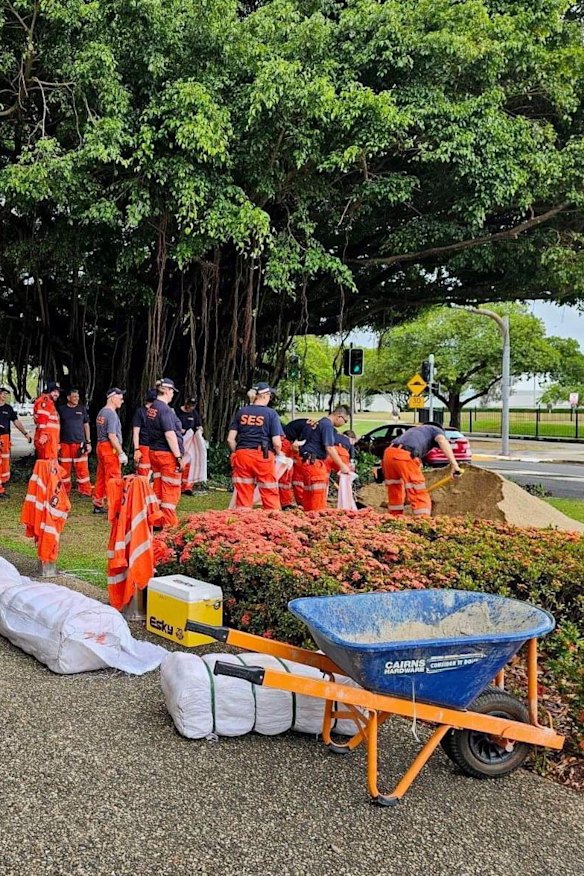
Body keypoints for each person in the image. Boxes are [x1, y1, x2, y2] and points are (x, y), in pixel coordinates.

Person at [382, 422, 461, 517]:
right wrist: (454, 465)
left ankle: (394, 519)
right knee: (418, 490)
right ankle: (423, 521)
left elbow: (410, 472)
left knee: (395, 488)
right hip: (405, 455)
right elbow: (441, 441)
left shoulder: (415, 432)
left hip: (388, 454)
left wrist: (408, 496)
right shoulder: (435, 429)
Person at [227, 382, 283, 510]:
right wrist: (279, 454)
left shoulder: (242, 412)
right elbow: (276, 442)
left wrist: (240, 452)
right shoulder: (271, 414)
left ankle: (244, 524)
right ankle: (273, 524)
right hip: (262, 456)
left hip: (242, 455)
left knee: (243, 492)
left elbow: (230, 439)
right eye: (270, 395)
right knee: (269, 491)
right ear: (264, 396)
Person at [297, 406, 352, 511]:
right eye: (344, 421)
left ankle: (309, 518)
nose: (343, 424)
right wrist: (342, 465)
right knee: (318, 496)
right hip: (314, 463)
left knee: (309, 494)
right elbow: (330, 448)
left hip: (307, 461)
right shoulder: (327, 426)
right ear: (339, 416)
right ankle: (318, 520)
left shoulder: (319, 423)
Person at [147, 378, 184, 528]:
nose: (172, 395)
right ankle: (169, 524)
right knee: (170, 489)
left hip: (154, 452)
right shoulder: (165, 410)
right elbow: (170, 434)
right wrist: (178, 457)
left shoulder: (152, 407)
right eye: (172, 392)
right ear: (168, 391)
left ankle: (156, 520)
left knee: (158, 487)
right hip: (167, 455)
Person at [92, 388, 127, 515]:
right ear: (112, 398)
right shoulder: (111, 414)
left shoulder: (102, 412)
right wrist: (121, 452)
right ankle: (114, 506)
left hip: (101, 445)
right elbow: (112, 435)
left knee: (101, 476)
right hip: (109, 448)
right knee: (114, 477)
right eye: (120, 398)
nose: (122, 401)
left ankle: (98, 503)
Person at [58, 389, 92, 496]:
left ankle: (85, 490)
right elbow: (57, 426)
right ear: (68, 398)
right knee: (64, 468)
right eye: (74, 397)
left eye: (77, 397)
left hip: (79, 443)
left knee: (82, 468)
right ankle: (64, 490)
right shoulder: (61, 409)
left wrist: (88, 441)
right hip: (64, 443)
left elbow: (86, 425)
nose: (76, 399)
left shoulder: (82, 409)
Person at [0, 386, 32, 498]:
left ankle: (2, 486)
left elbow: (16, 422)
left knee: (4, 464)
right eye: (3, 393)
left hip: (5, 438)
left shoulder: (8, 408)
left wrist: (25, 433)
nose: (4, 396)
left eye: (5, 394)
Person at [176, 396, 204, 495]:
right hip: (179, 440)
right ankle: (177, 485)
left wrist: (200, 430)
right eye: (189, 405)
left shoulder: (194, 413)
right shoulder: (177, 411)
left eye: (192, 406)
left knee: (189, 463)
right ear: (186, 403)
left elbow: (198, 425)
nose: (190, 407)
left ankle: (187, 487)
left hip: (190, 441)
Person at [33, 381, 61, 459]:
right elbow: (42, 419)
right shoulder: (45, 401)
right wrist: (43, 434)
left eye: (58, 392)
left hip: (51, 439)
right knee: (47, 463)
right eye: (54, 391)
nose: (57, 394)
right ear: (49, 391)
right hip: (47, 439)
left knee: (50, 463)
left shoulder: (49, 402)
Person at [132, 389, 157, 478]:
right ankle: (144, 490)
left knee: (154, 471)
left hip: (155, 446)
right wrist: (137, 449)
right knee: (144, 470)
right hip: (144, 446)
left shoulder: (157, 411)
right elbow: (136, 432)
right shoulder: (140, 412)